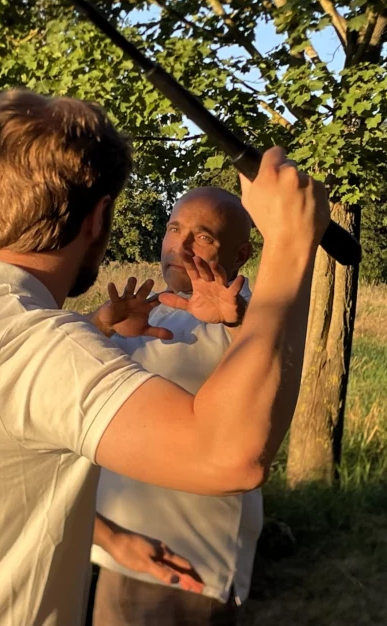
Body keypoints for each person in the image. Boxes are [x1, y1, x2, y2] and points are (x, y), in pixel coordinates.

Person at [0, 89, 329, 626]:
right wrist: (290, 244)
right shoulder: (33, 345)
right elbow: (232, 456)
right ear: (99, 218)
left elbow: (9, 471)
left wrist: (112, 538)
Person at [90, 188, 261, 625]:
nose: (180, 246)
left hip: (181, 562)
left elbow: (263, 377)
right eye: (173, 229)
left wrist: (238, 321)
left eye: (202, 237)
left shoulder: (247, 317)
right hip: (121, 546)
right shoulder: (150, 310)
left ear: (241, 253)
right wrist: (101, 327)